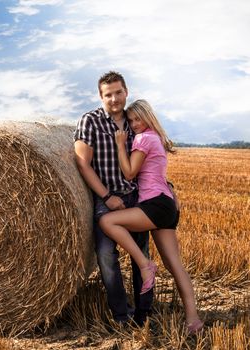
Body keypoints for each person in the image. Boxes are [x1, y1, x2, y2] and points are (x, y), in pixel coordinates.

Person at [98, 99, 203, 334]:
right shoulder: (156, 137)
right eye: (131, 120)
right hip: (166, 206)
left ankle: (145, 265)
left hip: (155, 205)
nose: (134, 124)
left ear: (148, 117)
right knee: (175, 265)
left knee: (107, 221)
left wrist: (119, 144)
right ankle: (193, 321)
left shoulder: (144, 138)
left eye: (138, 119)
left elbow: (129, 172)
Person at [74, 71, 153, 326]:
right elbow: (83, 164)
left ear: (126, 92)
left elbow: (150, 159)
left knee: (140, 253)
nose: (114, 99)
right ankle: (121, 315)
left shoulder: (134, 122)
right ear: (101, 96)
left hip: (135, 197)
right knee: (107, 257)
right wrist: (106, 197)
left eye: (118, 92)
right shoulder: (90, 121)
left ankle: (143, 314)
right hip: (106, 200)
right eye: (108, 94)